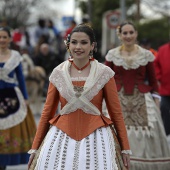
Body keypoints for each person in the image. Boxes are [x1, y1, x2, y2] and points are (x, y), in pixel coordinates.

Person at [28, 23, 131, 170]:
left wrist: (125, 148)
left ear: (92, 45)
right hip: (61, 135)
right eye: (74, 42)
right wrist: (35, 147)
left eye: (84, 42)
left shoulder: (104, 73)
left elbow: (116, 113)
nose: (78, 47)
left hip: (97, 136)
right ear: (68, 45)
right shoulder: (58, 73)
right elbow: (47, 113)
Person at [105, 21, 170, 170]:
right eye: (125, 33)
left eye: (131, 32)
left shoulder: (146, 55)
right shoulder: (112, 55)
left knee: (148, 131)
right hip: (117, 98)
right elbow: (105, 78)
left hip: (142, 98)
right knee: (114, 129)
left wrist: (156, 102)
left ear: (136, 34)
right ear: (120, 35)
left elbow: (153, 82)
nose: (128, 36)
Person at [0, 27, 36, 170]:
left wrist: (25, 97)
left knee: (9, 131)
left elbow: (20, 77)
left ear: (9, 39)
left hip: (12, 98)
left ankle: (5, 161)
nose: (2, 40)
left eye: (4, 37)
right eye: (0, 37)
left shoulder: (15, 56)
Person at [154, 42, 170, 136]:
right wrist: (160, 77)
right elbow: (156, 65)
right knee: (164, 108)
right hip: (166, 89)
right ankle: (166, 133)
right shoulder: (162, 49)